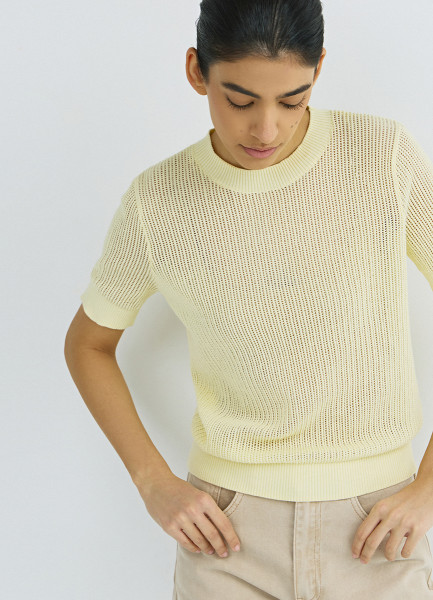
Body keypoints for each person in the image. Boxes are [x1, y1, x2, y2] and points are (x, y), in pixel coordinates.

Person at [64, 0, 433, 598]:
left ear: (318, 70)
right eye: (240, 101)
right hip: (227, 538)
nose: (266, 130)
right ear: (196, 71)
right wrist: (152, 481)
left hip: (380, 529)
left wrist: (428, 489)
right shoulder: (157, 202)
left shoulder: (381, 157)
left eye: (293, 100)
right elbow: (88, 345)